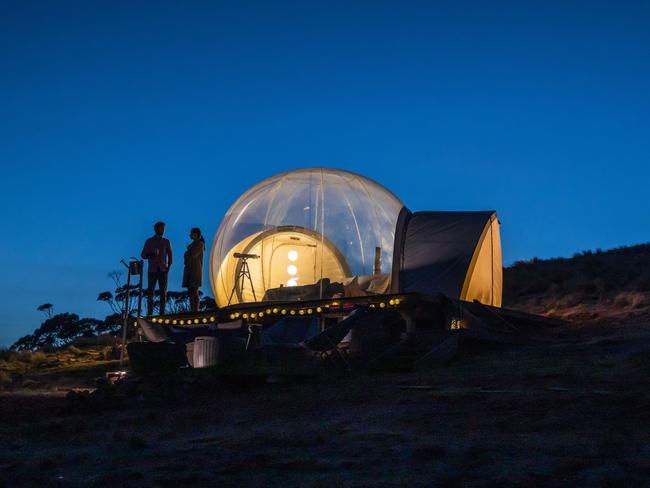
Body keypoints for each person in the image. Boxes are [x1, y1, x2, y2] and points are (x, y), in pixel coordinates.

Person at [141, 221, 173, 315]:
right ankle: (150, 313)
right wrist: (151, 254)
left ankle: (162, 313)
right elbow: (143, 255)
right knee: (150, 293)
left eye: (164, 229)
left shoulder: (166, 241)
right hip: (152, 270)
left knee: (163, 293)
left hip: (163, 270)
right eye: (161, 228)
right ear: (156, 229)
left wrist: (168, 268)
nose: (163, 230)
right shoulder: (149, 241)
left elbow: (170, 256)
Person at [183, 227, 205, 312]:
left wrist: (187, 254)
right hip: (189, 269)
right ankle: (192, 309)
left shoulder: (200, 244)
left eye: (191, 233)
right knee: (190, 291)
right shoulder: (191, 246)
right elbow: (187, 257)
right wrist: (187, 254)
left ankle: (195, 309)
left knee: (194, 290)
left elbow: (193, 255)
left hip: (195, 270)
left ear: (196, 234)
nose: (190, 235)